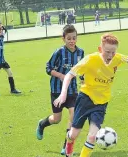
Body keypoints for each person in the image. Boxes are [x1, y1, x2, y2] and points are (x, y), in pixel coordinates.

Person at [53, 33, 128, 157]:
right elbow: (69, 75)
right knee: (73, 134)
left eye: (113, 52)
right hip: (85, 100)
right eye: (107, 52)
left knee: (93, 136)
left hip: (101, 103)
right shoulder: (90, 59)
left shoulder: (117, 58)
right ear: (100, 49)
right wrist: (63, 94)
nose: (110, 56)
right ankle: (69, 141)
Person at [36, 25, 84, 155]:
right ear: (63, 39)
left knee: (73, 116)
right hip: (57, 90)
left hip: (72, 90)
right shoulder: (58, 52)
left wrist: (83, 79)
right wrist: (61, 76)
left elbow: (82, 69)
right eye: (69, 38)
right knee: (56, 119)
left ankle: (66, 146)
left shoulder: (81, 52)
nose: (72, 41)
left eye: (74, 38)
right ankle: (42, 124)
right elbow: (48, 68)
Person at [0, 25, 21, 96]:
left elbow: (5, 31)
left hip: (2, 60)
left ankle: (13, 89)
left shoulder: (1, 37)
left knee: (10, 73)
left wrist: (2, 27)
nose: (0, 33)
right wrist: (0, 34)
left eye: (0, 31)